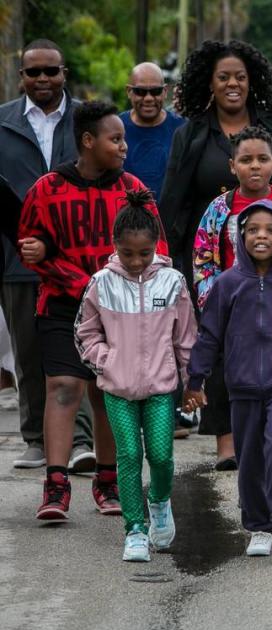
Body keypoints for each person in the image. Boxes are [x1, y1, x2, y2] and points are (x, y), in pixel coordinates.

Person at [19, 100, 168, 521]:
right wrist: (72, 275)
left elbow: (157, 251)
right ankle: (56, 485)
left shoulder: (133, 191)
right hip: (63, 307)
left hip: (119, 311)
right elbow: (30, 244)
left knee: (106, 395)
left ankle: (108, 481)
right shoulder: (47, 189)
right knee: (63, 387)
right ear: (88, 141)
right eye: (115, 138)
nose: (124, 146)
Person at [184, 199, 272, 558]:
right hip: (242, 384)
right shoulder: (228, 283)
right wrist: (196, 380)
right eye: (253, 230)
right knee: (249, 456)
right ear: (240, 237)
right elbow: (210, 335)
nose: (261, 236)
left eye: (270, 230)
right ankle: (258, 526)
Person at [192, 125, 272, 469]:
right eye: (246, 160)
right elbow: (203, 257)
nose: (255, 166)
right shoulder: (219, 208)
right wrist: (214, 303)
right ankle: (235, 450)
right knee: (233, 386)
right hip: (235, 317)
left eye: (262, 159)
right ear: (232, 166)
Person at [75, 189, 196, 561]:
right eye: (128, 254)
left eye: (144, 254)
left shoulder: (172, 282)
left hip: (161, 388)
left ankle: (159, 502)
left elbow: (186, 336)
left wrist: (191, 380)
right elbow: (85, 332)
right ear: (115, 246)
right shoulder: (101, 283)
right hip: (118, 388)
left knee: (159, 455)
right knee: (128, 454)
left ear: (156, 246)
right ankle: (135, 530)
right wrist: (106, 361)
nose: (136, 261)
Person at [0, 38, 95, 470]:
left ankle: (80, 441)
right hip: (17, 257)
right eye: (33, 72)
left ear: (64, 74)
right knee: (28, 350)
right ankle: (36, 438)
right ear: (22, 76)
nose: (42, 79)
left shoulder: (85, 122)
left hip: (77, 259)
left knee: (80, 348)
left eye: (50, 71)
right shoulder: (2, 122)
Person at [160, 39, 272, 288]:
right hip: (211, 259)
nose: (233, 83)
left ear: (251, 81)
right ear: (210, 82)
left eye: (240, 77)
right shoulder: (190, 134)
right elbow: (173, 200)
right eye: (223, 77)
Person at [119, 62, 184, 196]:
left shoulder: (183, 129)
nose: (148, 98)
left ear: (165, 91)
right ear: (129, 91)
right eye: (140, 92)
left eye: (155, 91)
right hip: (124, 214)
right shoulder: (115, 128)